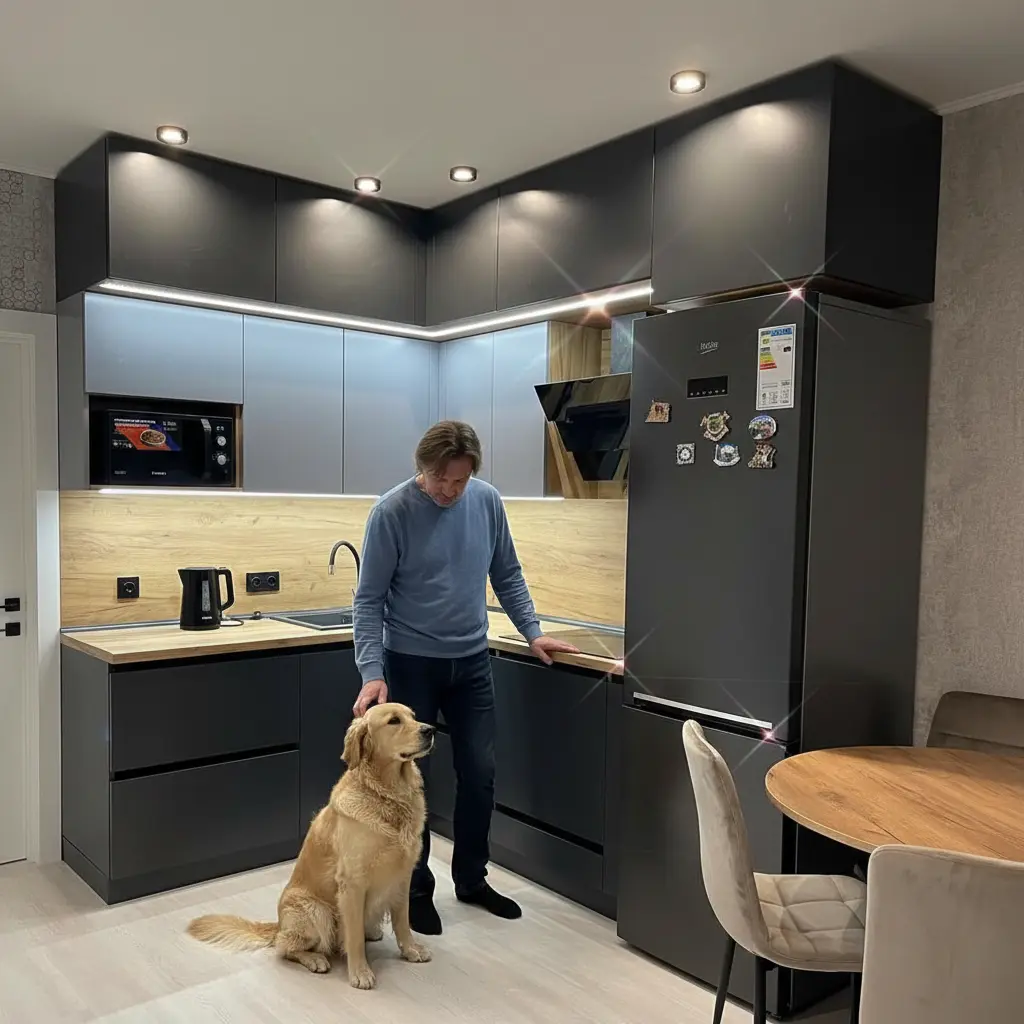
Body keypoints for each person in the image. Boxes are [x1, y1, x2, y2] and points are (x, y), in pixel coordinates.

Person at [351, 420, 579, 935]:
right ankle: (414, 890)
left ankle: (472, 880)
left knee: (479, 772)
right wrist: (371, 672)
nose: (450, 490)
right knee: (411, 781)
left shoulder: (487, 502)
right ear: (422, 468)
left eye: (460, 480)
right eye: (440, 479)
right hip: (411, 661)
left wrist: (533, 632)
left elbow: (507, 573)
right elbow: (368, 601)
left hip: (472, 661)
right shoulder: (391, 512)